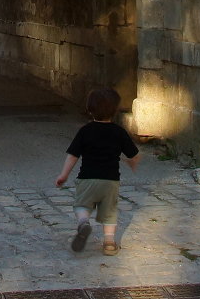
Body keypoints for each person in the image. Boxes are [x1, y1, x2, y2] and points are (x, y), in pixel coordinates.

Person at [55, 87, 140, 256]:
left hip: (87, 179)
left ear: (89, 109)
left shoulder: (85, 131)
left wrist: (63, 175)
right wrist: (132, 163)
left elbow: (73, 155)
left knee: (81, 206)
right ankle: (109, 243)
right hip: (110, 181)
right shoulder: (119, 132)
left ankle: (84, 222)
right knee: (109, 213)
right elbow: (134, 154)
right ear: (115, 110)